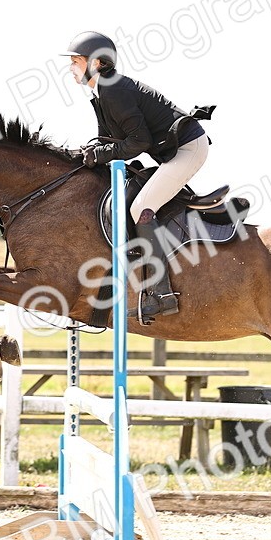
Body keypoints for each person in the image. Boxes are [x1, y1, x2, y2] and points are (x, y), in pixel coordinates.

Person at [62, 30, 212, 322]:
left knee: (141, 208)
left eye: (76, 61)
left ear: (97, 63)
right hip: (173, 150)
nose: (71, 67)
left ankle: (161, 294)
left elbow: (139, 141)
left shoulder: (113, 90)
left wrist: (100, 155)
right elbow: (107, 139)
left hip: (189, 148)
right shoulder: (102, 91)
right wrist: (83, 154)